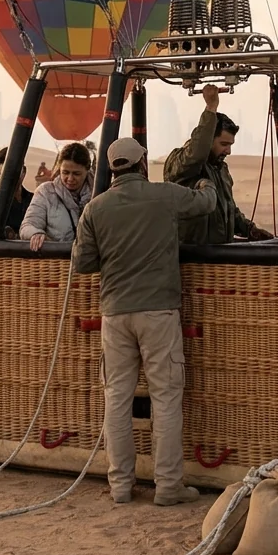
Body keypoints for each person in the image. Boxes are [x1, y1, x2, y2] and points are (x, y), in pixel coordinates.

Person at [72, 138, 217, 506]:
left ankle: (120, 485)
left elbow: (83, 263)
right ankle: (168, 486)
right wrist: (205, 180)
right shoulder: (165, 195)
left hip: (115, 314)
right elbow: (206, 204)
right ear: (142, 165)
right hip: (158, 311)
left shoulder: (95, 208)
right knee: (166, 398)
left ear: (112, 169)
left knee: (116, 398)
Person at [163, 85, 273, 244]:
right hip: (192, 256)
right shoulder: (183, 164)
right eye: (223, 144)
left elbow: (228, 209)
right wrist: (211, 107)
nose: (228, 151)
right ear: (209, 140)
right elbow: (197, 153)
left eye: (230, 145)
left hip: (217, 256)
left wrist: (250, 230)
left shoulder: (221, 169)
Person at [20, 142, 94, 250]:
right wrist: (36, 234)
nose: (70, 178)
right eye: (65, 172)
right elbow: (28, 225)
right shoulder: (46, 192)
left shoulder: (99, 194)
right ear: (59, 169)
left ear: (87, 170)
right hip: (58, 261)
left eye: (76, 174)